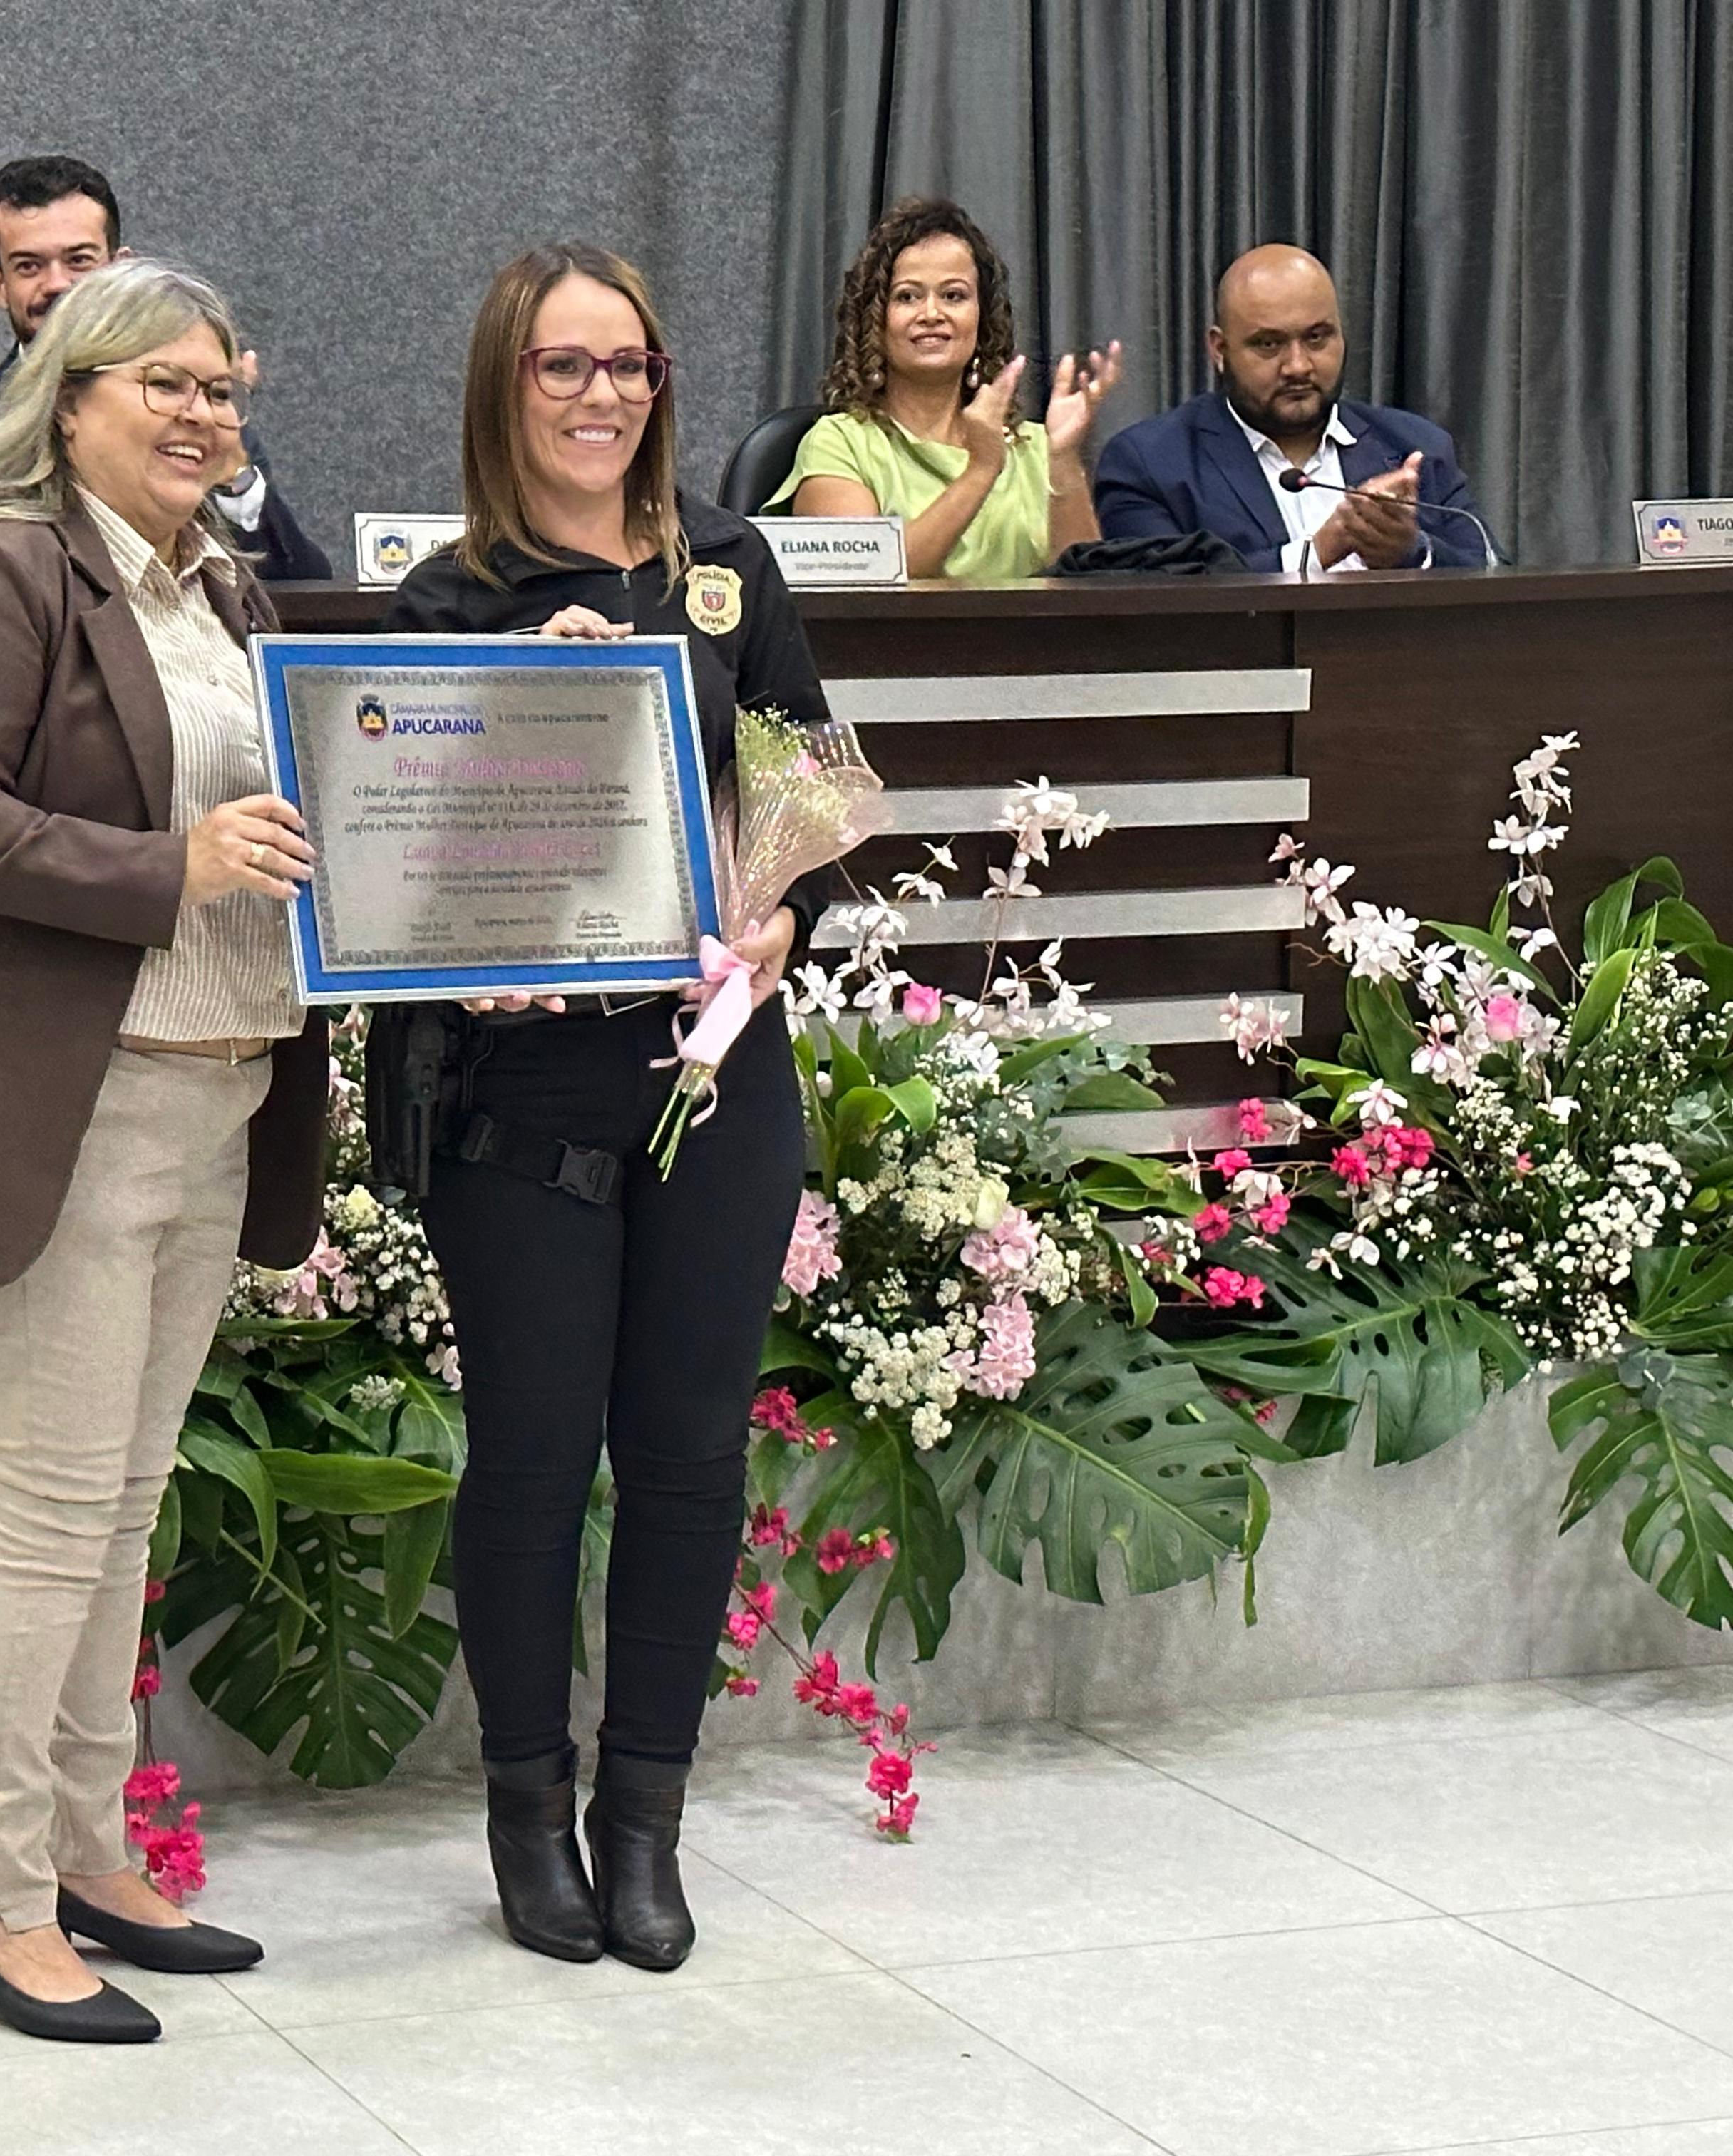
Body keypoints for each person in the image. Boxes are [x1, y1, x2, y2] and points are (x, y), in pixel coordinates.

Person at [0, 260, 329, 2044]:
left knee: (123, 1507)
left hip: (225, 1084)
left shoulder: (231, 590)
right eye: (161, 383)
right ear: (71, 393)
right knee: (48, 1518)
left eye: (222, 388)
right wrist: (169, 867)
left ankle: (93, 1856)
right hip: (77, 1102)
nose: (201, 414)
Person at [372, 243, 821, 1972]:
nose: (601, 394)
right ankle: (524, 1810)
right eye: (563, 366)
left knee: (692, 1457)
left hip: (717, 1067)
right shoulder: (448, 600)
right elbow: (401, 864)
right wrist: (523, 707)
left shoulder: (728, 566)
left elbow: (807, 780)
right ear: (507, 387)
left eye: (627, 364)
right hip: (526, 1094)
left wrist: (782, 917)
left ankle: (646, 1820)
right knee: (536, 1459)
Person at [0, 155, 331, 580]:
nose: (58, 284)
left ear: (121, 269)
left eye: (79, 261)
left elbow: (300, 587)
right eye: (29, 266)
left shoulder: (197, 409)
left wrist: (233, 471)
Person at [772, 197, 1119, 580]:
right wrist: (982, 469)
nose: (932, 314)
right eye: (907, 297)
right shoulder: (839, 444)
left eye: (953, 296)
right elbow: (867, 583)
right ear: (875, 321)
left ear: (982, 318)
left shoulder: (1034, 448)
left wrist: (1064, 462)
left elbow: (1085, 589)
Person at [1096, 242, 1493, 570]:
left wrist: (1414, 552)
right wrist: (1316, 553)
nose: (1298, 366)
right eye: (1269, 344)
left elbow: (1493, 575)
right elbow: (1158, 599)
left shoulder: (1415, 446)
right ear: (1219, 350)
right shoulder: (1150, 463)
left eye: (1317, 338)